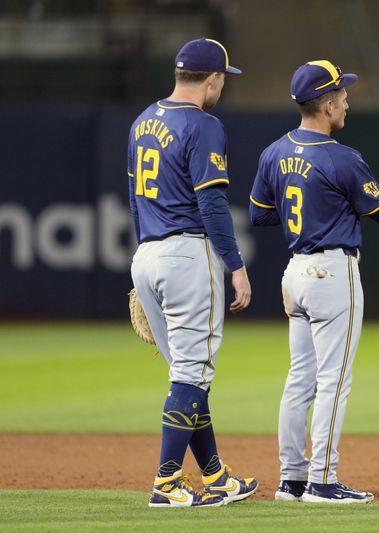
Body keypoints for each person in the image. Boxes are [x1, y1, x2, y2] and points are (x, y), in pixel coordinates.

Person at [249, 60, 379, 504]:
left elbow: (258, 215)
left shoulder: (274, 152)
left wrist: (307, 210)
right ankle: (322, 481)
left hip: (295, 272)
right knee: (333, 381)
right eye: (342, 95)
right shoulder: (342, 158)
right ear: (325, 104)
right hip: (331, 273)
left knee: (299, 379)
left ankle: (292, 480)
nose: (346, 101)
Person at [128, 38, 258, 508]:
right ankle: (166, 482)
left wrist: (143, 267)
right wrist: (236, 266)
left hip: (147, 253)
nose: (223, 85)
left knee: (188, 375)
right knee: (191, 373)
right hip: (186, 254)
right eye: (224, 78)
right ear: (212, 79)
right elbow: (211, 202)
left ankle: (216, 476)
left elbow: (136, 201)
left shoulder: (143, 120)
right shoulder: (203, 124)